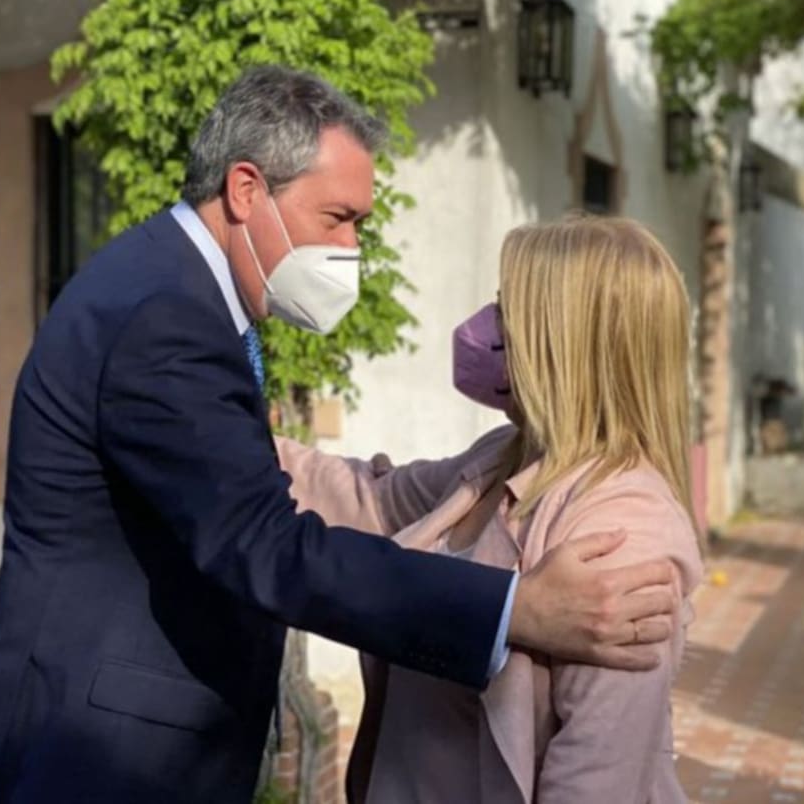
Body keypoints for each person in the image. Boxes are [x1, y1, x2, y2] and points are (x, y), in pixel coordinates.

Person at [0, 66, 680, 804]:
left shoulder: (622, 523)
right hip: (92, 762)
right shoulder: (167, 315)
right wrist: (513, 610)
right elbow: (267, 545)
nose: (351, 247)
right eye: (337, 218)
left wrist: (246, 448)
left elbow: (355, 494)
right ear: (246, 190)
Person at [278, 216, 704, 802]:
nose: (486, 328)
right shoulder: (502, 457)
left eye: (507, 311)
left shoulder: (626, 530)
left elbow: (594, 780)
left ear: (564, 339)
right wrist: (219, 433)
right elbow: (366, 499)